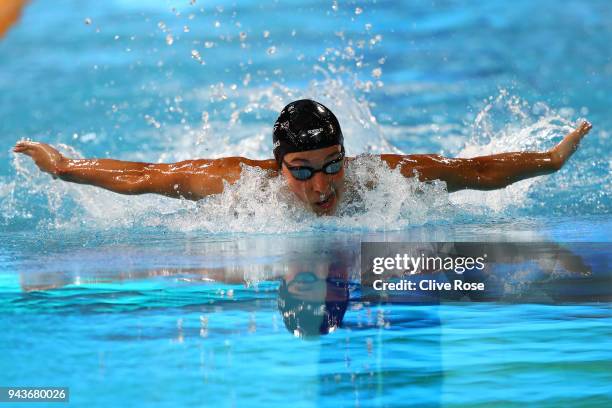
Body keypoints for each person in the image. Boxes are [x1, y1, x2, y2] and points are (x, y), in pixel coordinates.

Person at [13, 99, 592, 215]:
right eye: (304, 170)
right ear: (278, 165)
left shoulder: (377, 181)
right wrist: (64, 167)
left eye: (333, 163)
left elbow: (474, 172)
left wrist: (550, 160)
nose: (324, 185)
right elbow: (144, 177)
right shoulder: (238, 185)